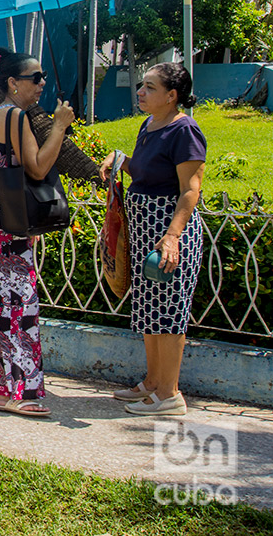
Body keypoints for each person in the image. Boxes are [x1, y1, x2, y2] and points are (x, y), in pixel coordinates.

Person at [101, 63, 206, 417]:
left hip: (169, 231)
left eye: (149, 87)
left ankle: (170, 393)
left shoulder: (185, 131)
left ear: (172, 95)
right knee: (148, 309)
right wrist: (120, 159)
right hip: (145, 229)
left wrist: (173, 236)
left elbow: (190, 190)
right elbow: (145, 171)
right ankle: (152, 383)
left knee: (171, 311)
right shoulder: (150, 125)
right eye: (141, 85)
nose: (140, 92)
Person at [0, 49, 74, 416]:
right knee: (17, 302)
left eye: (44, 77)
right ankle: (16, 392)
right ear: (13, 83)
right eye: (35, 78)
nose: (42, 84)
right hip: (10, 225)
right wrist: (60, 125)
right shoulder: (15, 116)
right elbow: (36, 167)